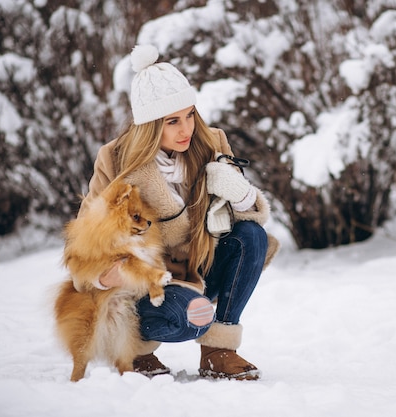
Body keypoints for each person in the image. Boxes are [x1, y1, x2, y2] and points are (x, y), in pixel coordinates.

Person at [74, 44, 279, 380]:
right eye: (172, 121)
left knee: (251, 236)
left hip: (200, 269)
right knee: (190, 319)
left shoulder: (210, 144)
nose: (186, 130)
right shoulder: (115, 159)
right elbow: (83, 240)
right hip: (148, 283)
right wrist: (103, 275)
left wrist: (240, 194)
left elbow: (247, 222)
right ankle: (135, 351)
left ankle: (219, 350)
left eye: (189, 115)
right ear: (151, 125)